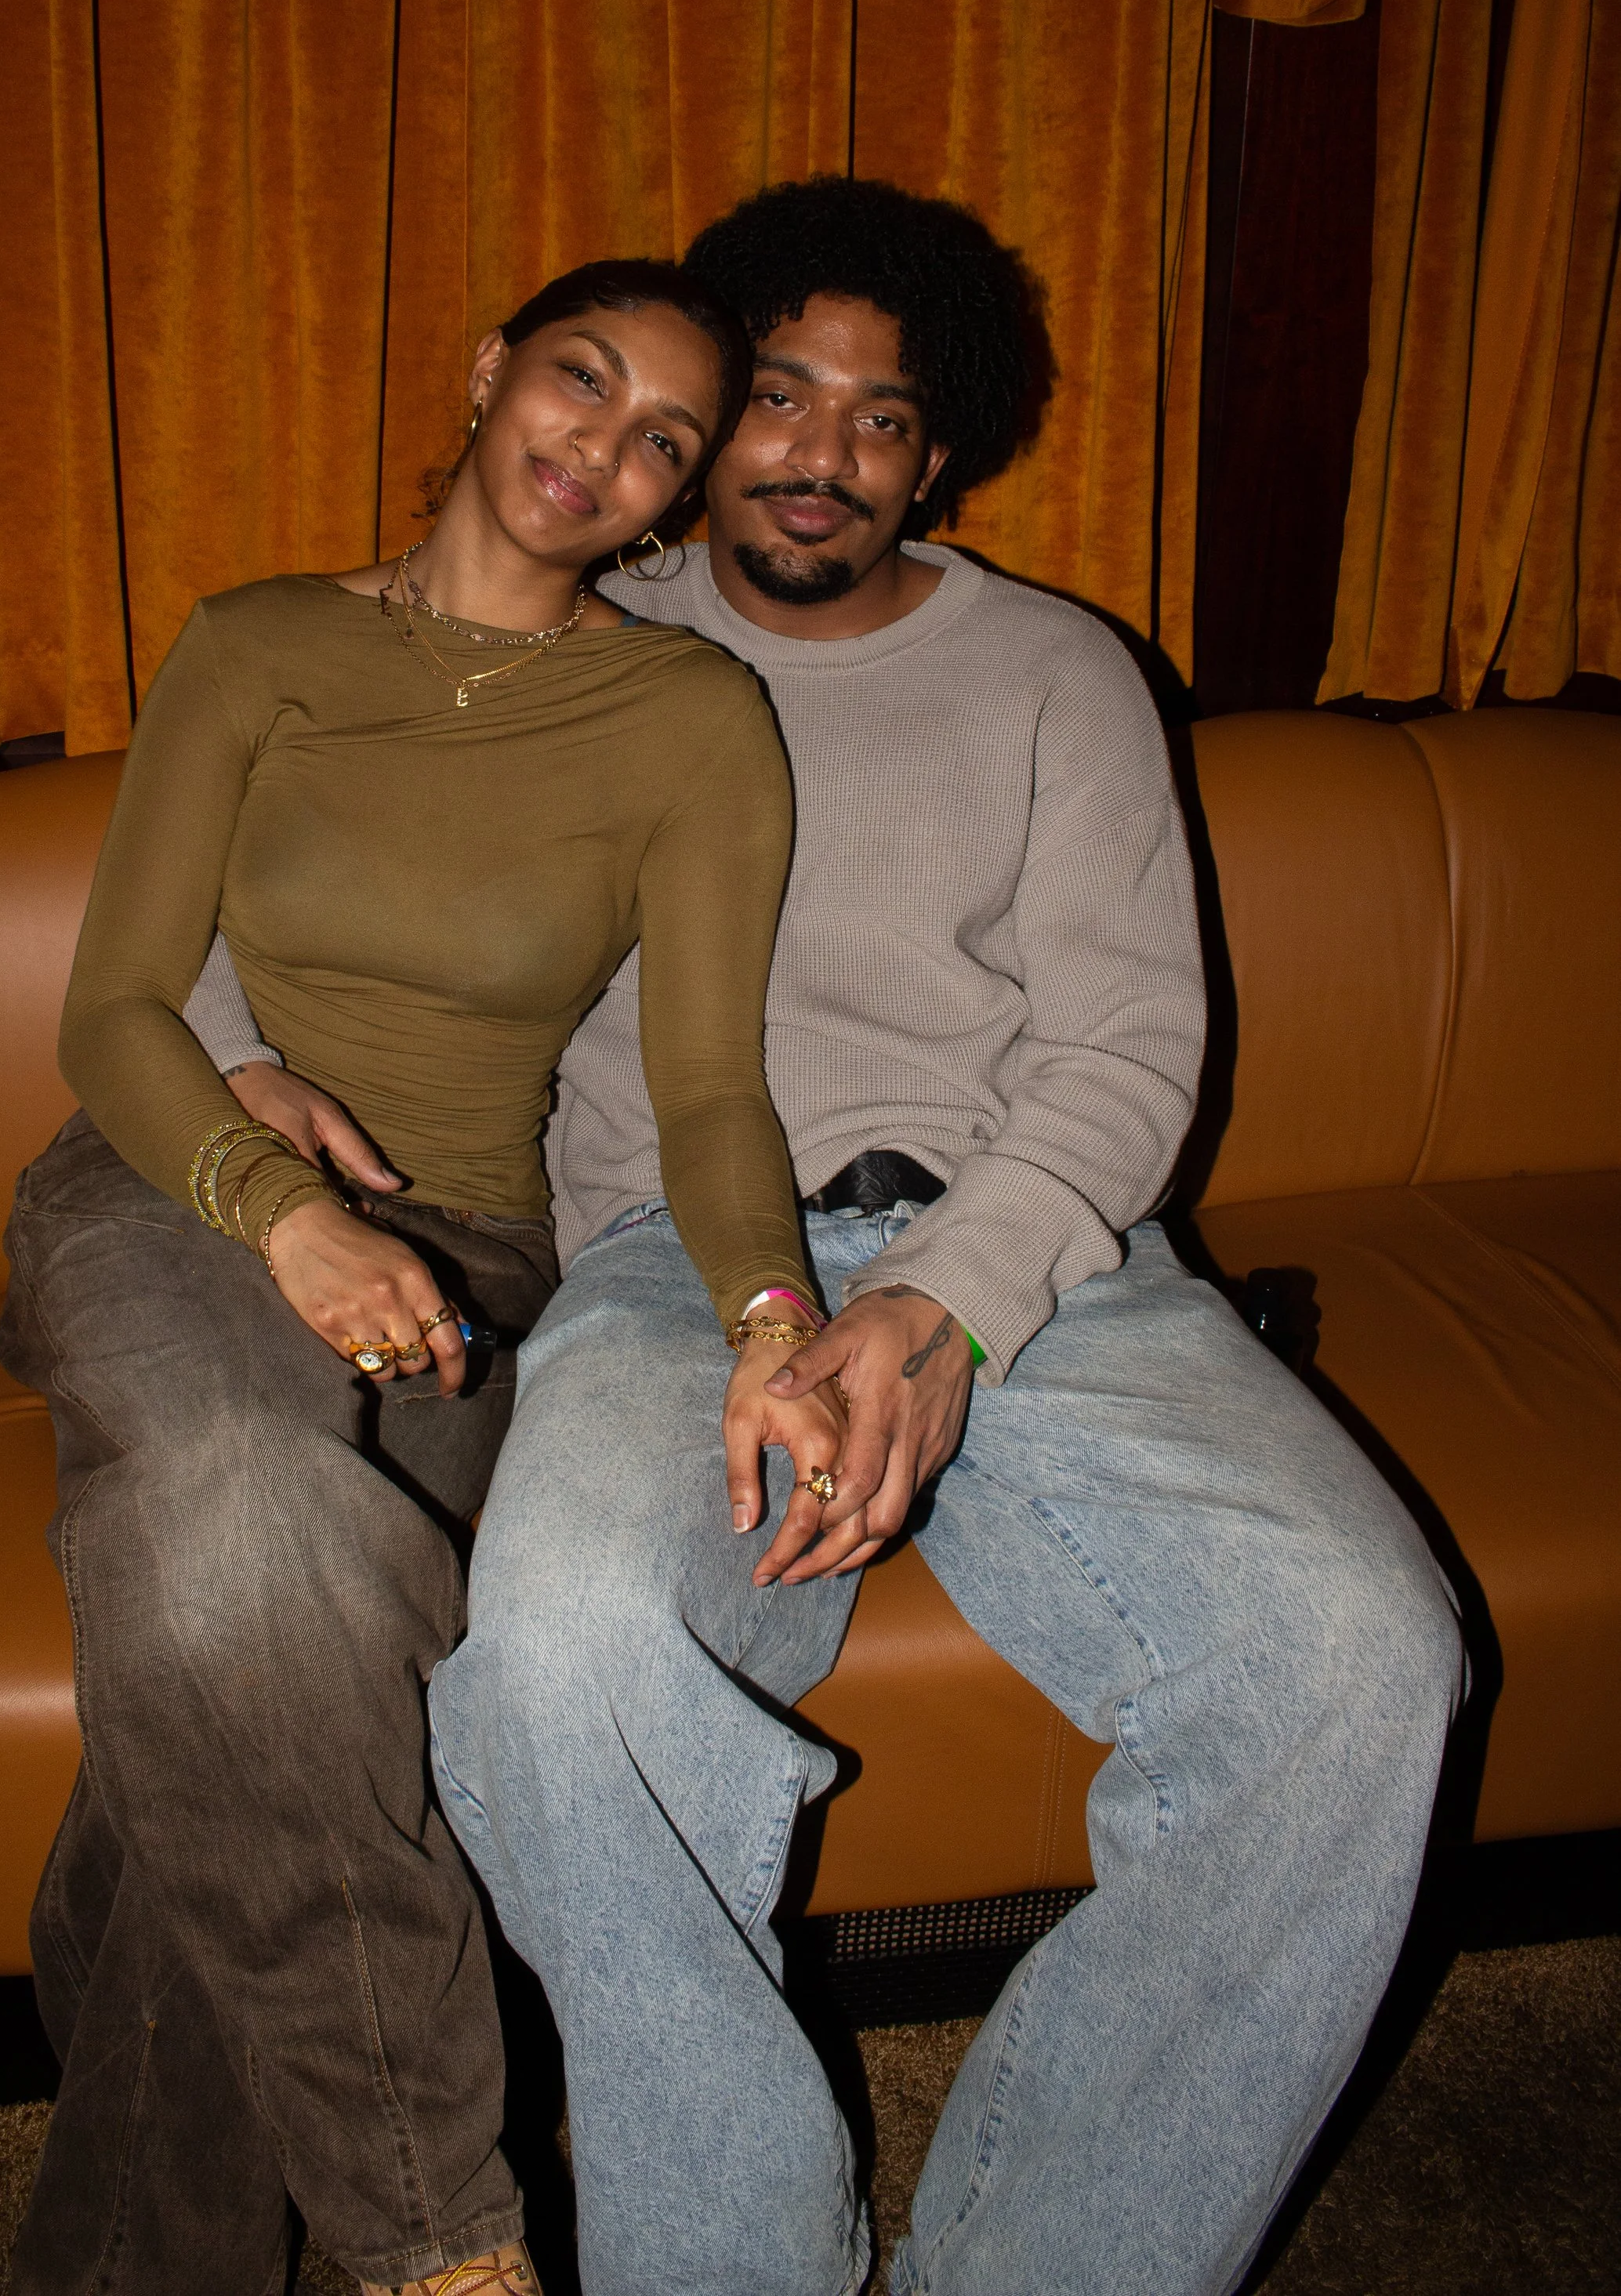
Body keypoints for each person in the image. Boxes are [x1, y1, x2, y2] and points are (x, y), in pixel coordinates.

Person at [212, 178, 1464, 2296]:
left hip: (1039, 1259)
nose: (820, 451)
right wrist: (238, 1067)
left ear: (939, 449)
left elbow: (1129, 1035)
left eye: (882, 417)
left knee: (1362, 1669)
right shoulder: (566, 648)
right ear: (704, 432)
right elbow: (309, 854)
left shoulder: (1054, 673)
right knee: (550, 1665)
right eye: (776, 395)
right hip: (663, 1271)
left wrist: (937, 1303)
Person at [0, 258, 843, 2296]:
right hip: (171, 1187)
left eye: (663, 437)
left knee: (229, 1631)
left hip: (464, 1257)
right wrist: (275, 1200)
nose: (605, 448)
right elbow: (113, 1003)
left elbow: (713, 1089)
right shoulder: (262, 640)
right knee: (254, 1538)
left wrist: (773, 1323)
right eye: (579, 381)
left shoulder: (688, 716)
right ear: (486, 375)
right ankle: (436, 2236)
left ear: (672, 498)